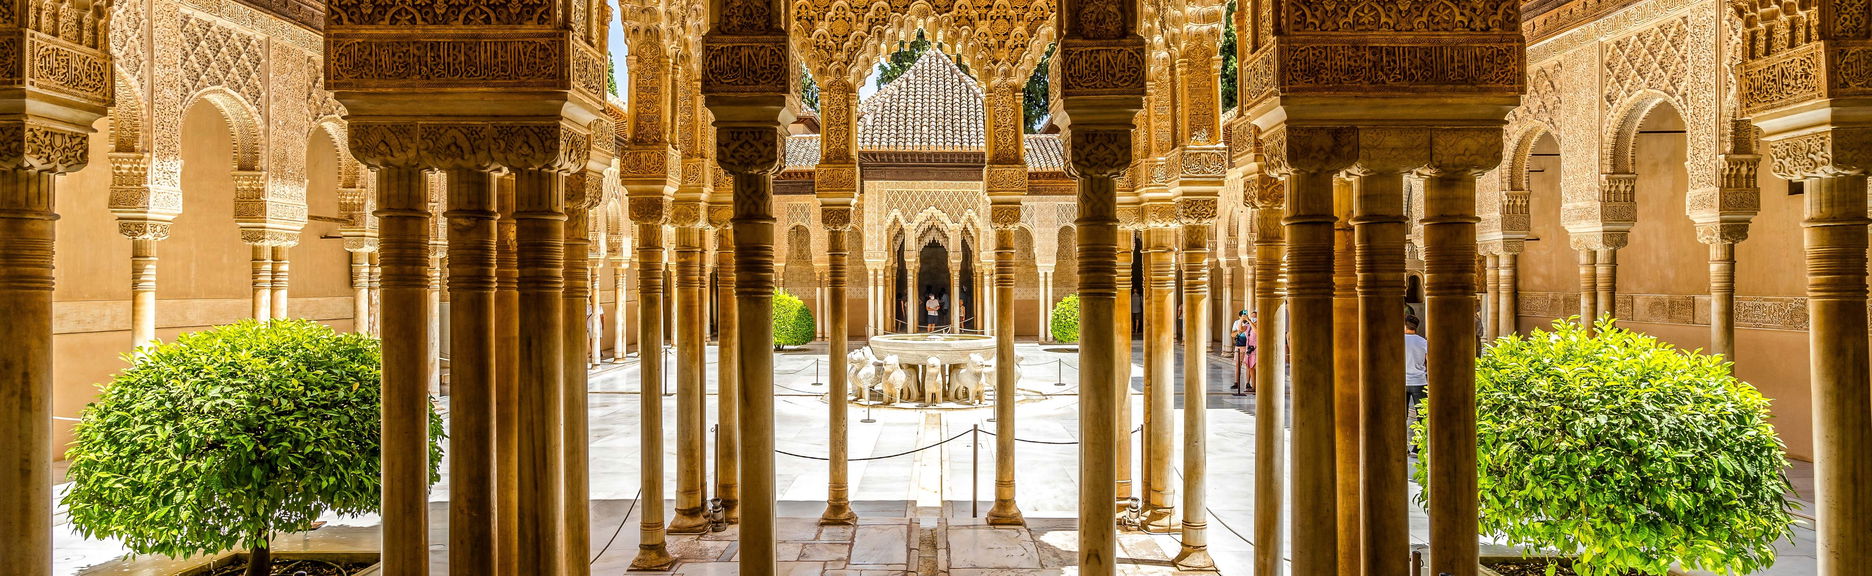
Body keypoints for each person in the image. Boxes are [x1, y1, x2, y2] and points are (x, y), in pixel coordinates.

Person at [1404, 314, 1429, 454]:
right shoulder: (1423, 342)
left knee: (1401, 415)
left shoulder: (1398, 340)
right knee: (1422, 416)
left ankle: (1402, 446)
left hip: (1402, 381)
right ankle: (1418, 447)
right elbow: (1429, 361)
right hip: (1420, 381)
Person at [1230, 310, 1256, 393]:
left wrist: (1249, 320)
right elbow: (1237, 332)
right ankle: (1237, 382)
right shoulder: (1242, 324)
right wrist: (1241, 320)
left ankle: (1249, 384)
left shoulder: (1253, 324)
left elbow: (1256, 331)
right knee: (1241, 365)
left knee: (1250, 366)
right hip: (1241, 346)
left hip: (1251, 348)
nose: (1253, 318)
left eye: (1254, 317)